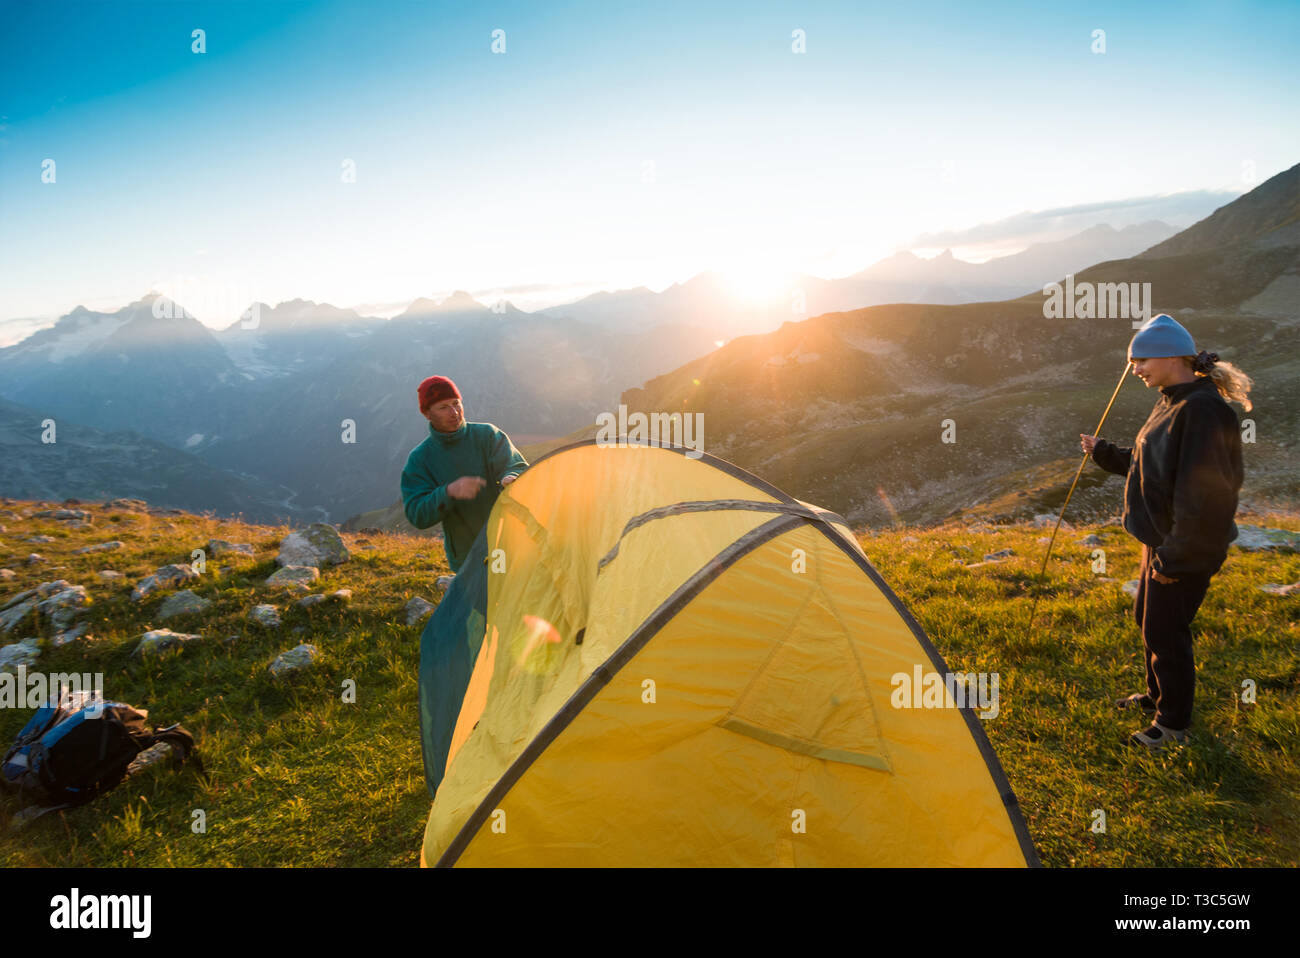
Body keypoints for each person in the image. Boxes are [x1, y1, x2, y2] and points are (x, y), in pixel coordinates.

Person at [1080, 313, 1250, 750]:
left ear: (1172, 356)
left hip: (1184, 546)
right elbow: (1150, 467)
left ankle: (1172, 725)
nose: (1135, 370)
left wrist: (1176, 558)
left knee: (1166, 631)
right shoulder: (1174, 399)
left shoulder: (1203, 411)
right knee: (1149, 621)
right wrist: (1105, 454)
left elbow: (1207, 495)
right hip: (1160, 538)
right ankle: (1157, 695)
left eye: (1140, 361)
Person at [400, 375, 528, 575]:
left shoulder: (487, 435)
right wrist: (449, 492)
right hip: (468, 556)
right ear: (427, 413)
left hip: (510, 542)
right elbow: (417, 514)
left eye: (456, 403)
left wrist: (510, 477)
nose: (454, 412)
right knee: (481, 607)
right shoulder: (420, 459)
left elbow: (516, 465)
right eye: (443, 407)